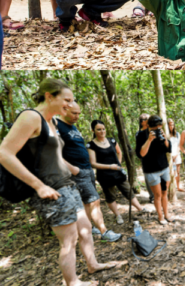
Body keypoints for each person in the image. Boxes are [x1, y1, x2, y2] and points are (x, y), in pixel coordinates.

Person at [0, 78, 125, 285]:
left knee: (85, 230)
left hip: (68, 185)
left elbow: (51, 155)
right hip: (51, 190)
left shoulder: (51, 122)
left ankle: (92, 264)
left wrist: (71, 168)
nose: (70, 104)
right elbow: (4, 153)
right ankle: (72, 282)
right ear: (49, 96)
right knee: (69, 240)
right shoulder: (31, 117)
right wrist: (38, 186)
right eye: (66, 99)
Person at [56, 102, 121, 241]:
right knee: (94, 201)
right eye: (74, 113)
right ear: (64, 109)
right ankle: (104, 232)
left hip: (87, 169)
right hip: (77, 172)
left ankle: (89, 228)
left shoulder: (72, 127)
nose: (77, 116)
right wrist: (72, 169)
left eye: (79, 113)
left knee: (87, 202)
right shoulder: (56, 125)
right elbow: (53, 152)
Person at [87, 120, 145, 224]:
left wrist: (118, 163)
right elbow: (93, 163)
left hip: (117, 172)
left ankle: (140, 209)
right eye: (98, 129)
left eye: (103, 129)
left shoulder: (112, 140)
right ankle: (118, 215)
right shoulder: (91, 145)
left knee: (128, 190)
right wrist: (110, 166)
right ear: (93, 130)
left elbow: (119, 152)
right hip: (104, 175)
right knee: (110, 196)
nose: (102, 131)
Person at [136, 115, 173, 224]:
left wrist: (165, 138)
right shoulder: (141, 135)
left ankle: (166, 214)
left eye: (159, 126)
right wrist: (149, 140)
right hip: (152, 171)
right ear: (148, 125)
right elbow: (141, 154)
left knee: (164, 193)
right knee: (157, 196)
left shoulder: (160, 132)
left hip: (164, 168)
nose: (156, 128)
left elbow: (168, 148)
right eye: (154, 127)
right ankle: (160, 216)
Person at [167, 118, 183, 192]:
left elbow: (179, 145)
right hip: (169, 156)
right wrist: (170, 156)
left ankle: (178, 186)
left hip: (176, 155)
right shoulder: (166, 135)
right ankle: (170, 187)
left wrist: (176, 154)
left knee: (178, 172)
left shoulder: (177, 134)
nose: (171, 126)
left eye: (172, 125)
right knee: (170, 172)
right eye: (170, 125)